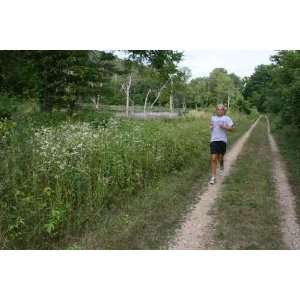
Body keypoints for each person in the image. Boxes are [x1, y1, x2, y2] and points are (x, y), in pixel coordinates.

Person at [209, 104, 234, 184]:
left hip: (223, 140)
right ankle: (213, 177)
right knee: (213, 158)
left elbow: (232, 129)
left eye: (221, 109)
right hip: (214, 140)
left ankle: (221, 162)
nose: (219, 111)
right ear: (216, 110)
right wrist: (211, 127)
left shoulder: (227, 118)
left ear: (224, 111)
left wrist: (224, 127)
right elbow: (211, 125)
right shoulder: (213, 118)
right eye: (218, 109)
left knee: (220, 156)